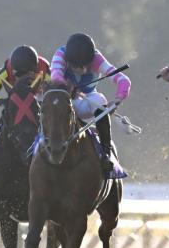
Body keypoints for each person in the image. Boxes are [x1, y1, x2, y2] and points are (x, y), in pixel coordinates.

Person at [50, 33, 131, 174]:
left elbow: (123, 80)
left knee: (99, 100)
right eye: (77, 66)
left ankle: (106, 153)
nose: (83, 70)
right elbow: (55, 75)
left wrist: (118, 99)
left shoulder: (97, 58)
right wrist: (66, 86)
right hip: (65, 99)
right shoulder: (60, 54)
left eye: (86, 65)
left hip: (86, 100)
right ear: (69, 60)